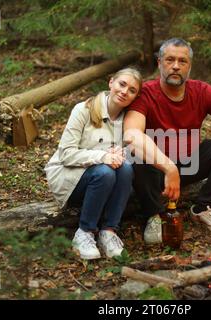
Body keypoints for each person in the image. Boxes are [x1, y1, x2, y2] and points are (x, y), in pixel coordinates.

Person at [123, 38, 211, 244]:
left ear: (189, 66)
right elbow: (131, 135)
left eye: (182, 61)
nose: (175, 66)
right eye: (169, 60)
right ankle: (154, 215)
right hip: (154, 170)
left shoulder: (202, 91)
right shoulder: (146, 93)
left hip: (188, 163)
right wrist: (168, 168)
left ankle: (204, 208)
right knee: (137, 154)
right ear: (159, 63)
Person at [45, 68, 142, 259]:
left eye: (132, 90)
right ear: (111, 82)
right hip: (70, 178)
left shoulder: (129, 120)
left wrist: (123, 153)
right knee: (104, 171)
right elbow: (66, 154)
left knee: (126, 168)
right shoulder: (84, 109)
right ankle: (84, 233)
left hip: (104, 182)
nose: (124, 91)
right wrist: (102, 156)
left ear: (135, 97)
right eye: (122, 84)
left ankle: (108, 232)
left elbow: (133, 154)